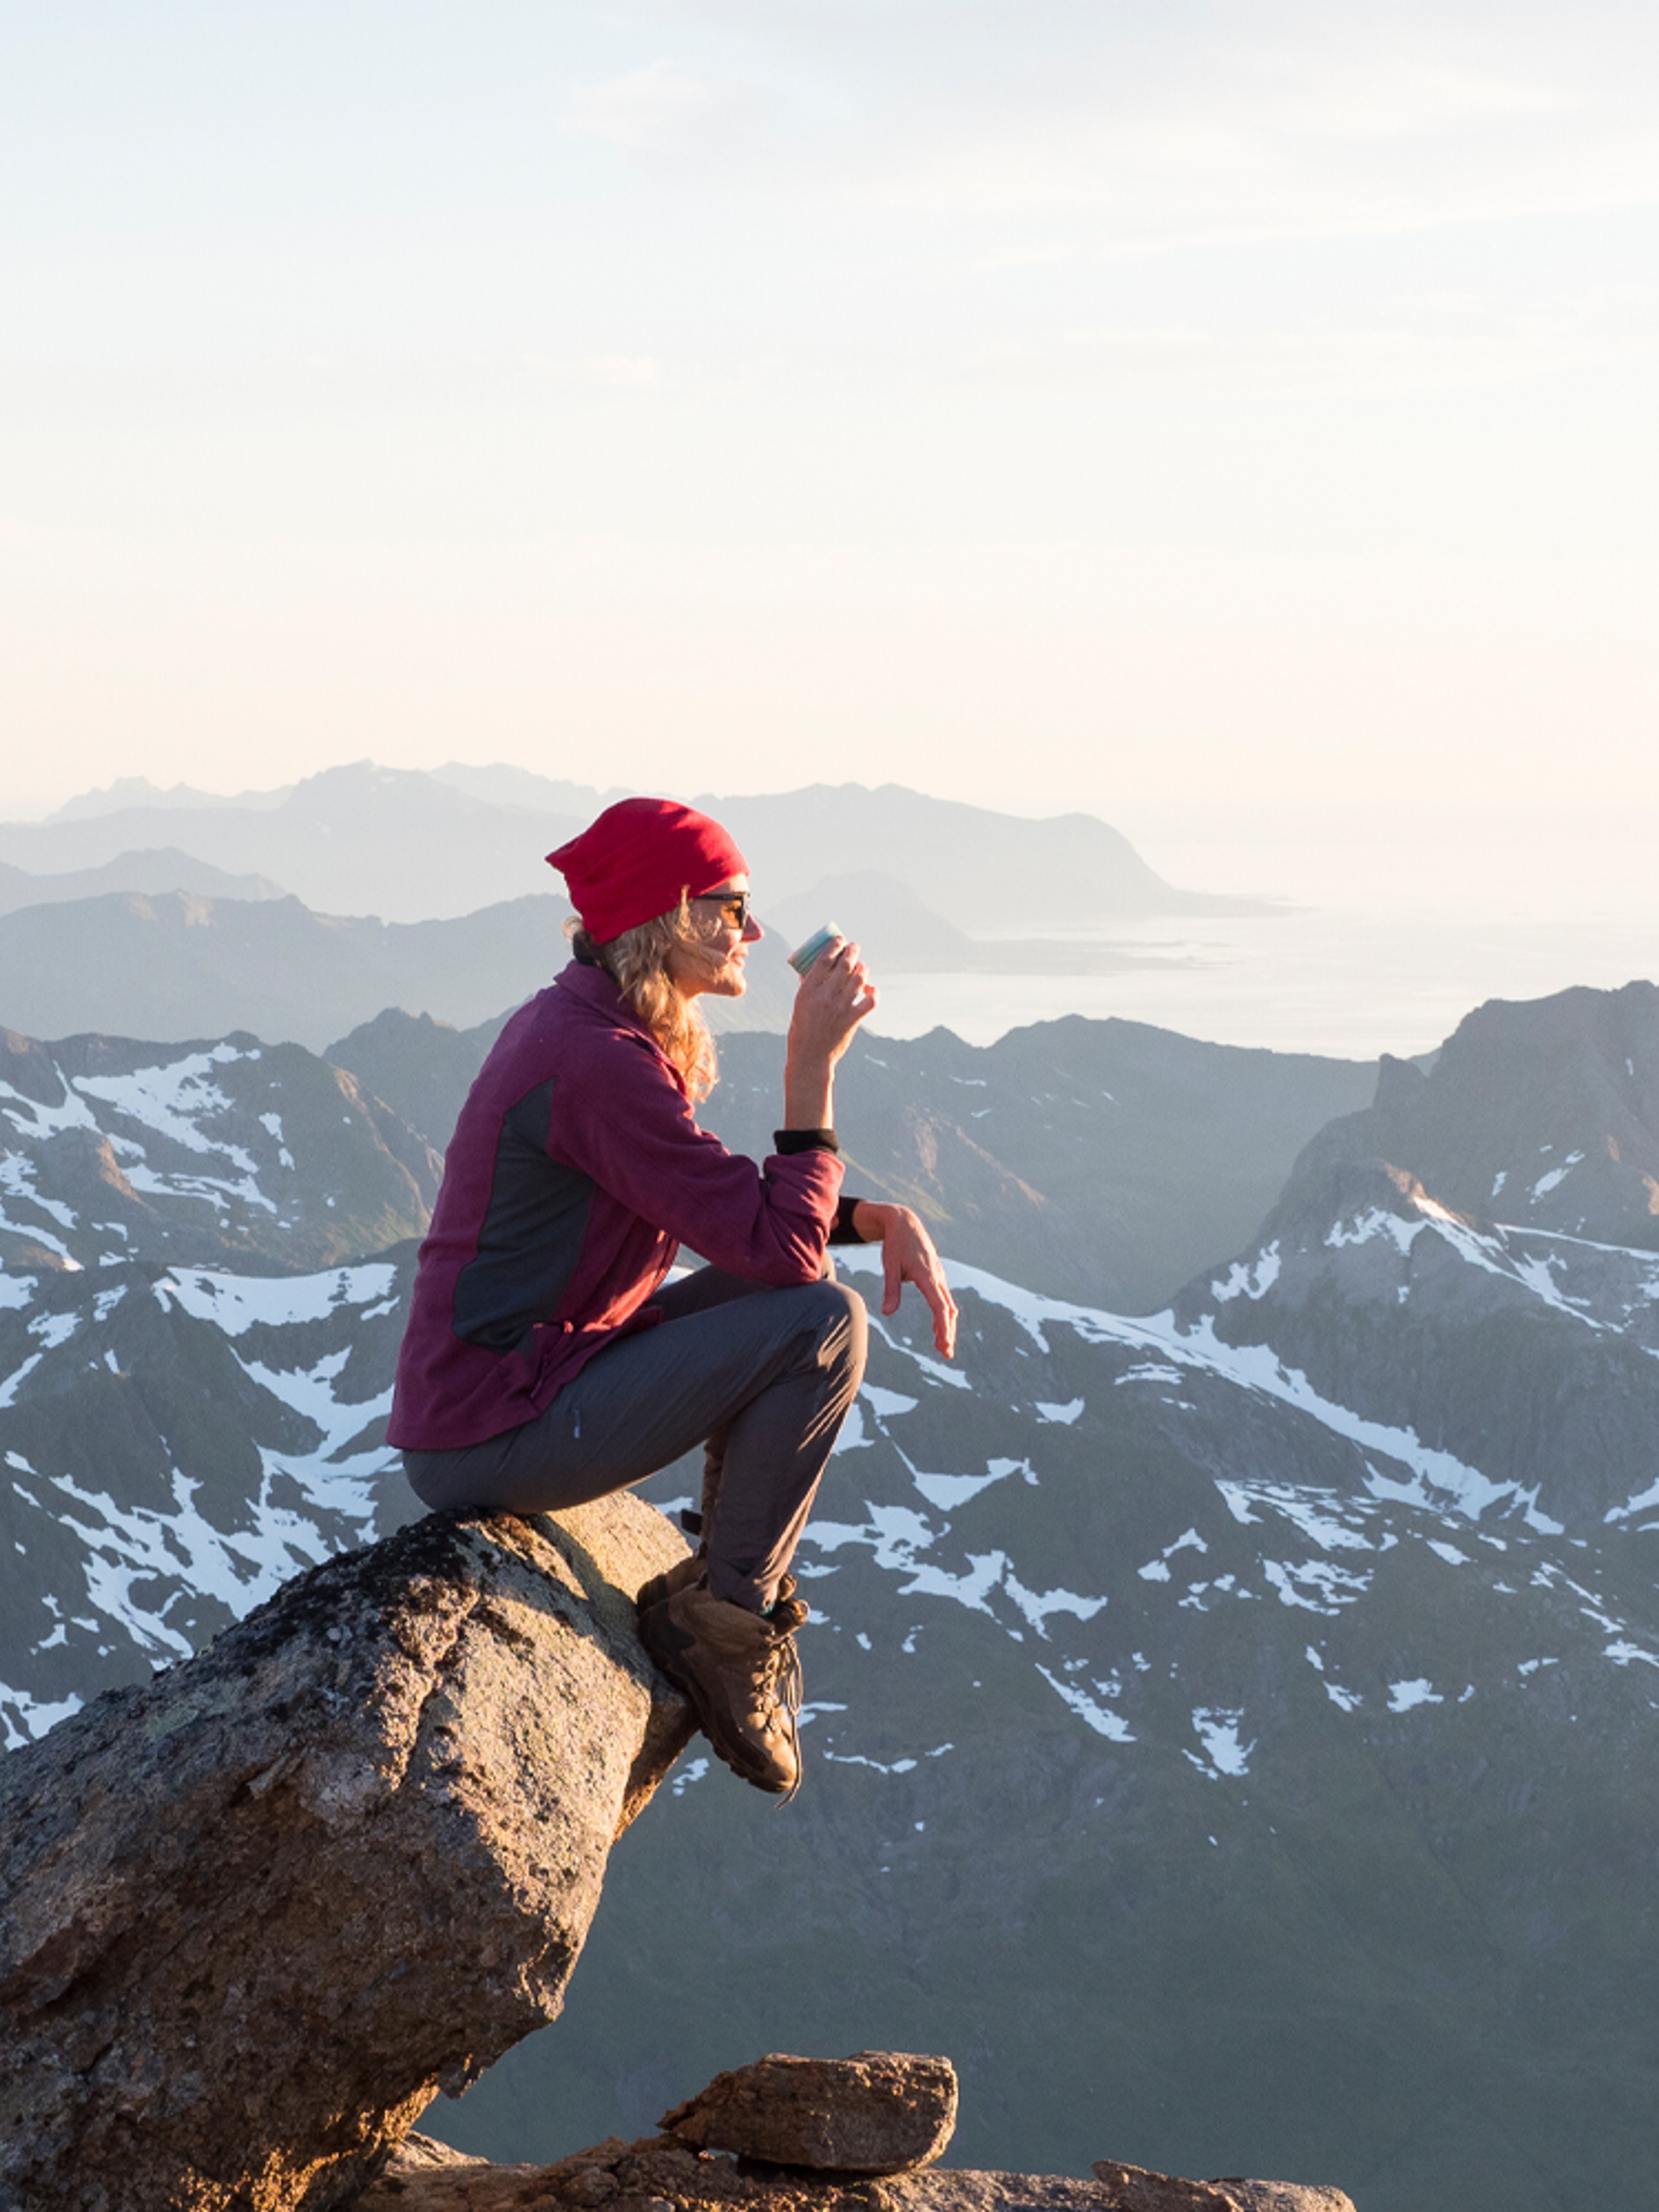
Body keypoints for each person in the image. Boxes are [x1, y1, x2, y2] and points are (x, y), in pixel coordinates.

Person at [388, 796, 957, 1800]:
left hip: (520, 1389)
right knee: (820, 1325)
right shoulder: (595, 1059)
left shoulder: (593, 1028)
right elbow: (778, 1250)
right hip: (494, 1429)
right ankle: (725, 1625)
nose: (755, 930)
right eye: (735, 905)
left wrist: (870, 1219)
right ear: (678, 911)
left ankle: (718, 1597)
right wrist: (810, 1066)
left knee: (808, 1296)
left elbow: (727, 1210)